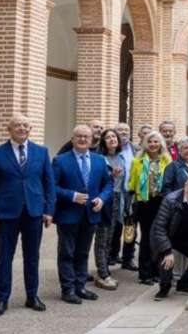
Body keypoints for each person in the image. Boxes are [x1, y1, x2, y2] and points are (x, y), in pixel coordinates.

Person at [0, 115, 55, 317]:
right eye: (17, 125)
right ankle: (2, 299)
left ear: (30, 128)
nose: (21, 128)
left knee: (32, 257)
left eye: (25, 125)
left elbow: (49, 183)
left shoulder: (42, 152)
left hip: (34, 212)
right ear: (9, 129)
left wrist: (49, 210)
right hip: (6, 214)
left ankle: (32, 296)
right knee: (5, 257)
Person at [53, 125, 113, 304]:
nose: (82, 139)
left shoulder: (100, 160)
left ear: (91, 140)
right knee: (67, 253)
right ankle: (68, 289)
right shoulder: (60, 160)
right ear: (72, 139)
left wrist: (102, 199)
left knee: (83, 253)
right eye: (78, 136)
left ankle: (80, 287)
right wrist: (71, 196)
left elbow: (108, 185)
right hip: (68, 215)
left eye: (86, 137)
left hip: (91, 214)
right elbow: (51, 187)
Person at [127, 130, 173, 284]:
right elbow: (132, 184)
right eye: (150, 142)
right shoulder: (137, 161)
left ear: (161, 144)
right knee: (146, 237)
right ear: (145, 143)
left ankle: (157, 271)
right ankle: (145, 273)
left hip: (162, 202)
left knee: (160, 237)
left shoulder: (168, 161)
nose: (153, 145)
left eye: (156, 142)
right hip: (144, 202)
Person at [94, 128, 125, 291]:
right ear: (103, 142)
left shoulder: (121, 157)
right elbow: (98, 180)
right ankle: (102, 273)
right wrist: (111, 175)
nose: (112, 139)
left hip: (118, 198)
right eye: (108, 137)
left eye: (114, 136)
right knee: (102, 237)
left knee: (111, 237)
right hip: (105, 199)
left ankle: (104, 269)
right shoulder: (99, 158)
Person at [110, 123, 136, 268]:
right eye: (120, 130)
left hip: (131, 193)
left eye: (126, 130)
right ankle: (112, 255)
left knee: (130, 225)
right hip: (117, 192)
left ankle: (128, 258)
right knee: (115, 225)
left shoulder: (135, 149)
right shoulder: (111, 150)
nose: (123, 132)